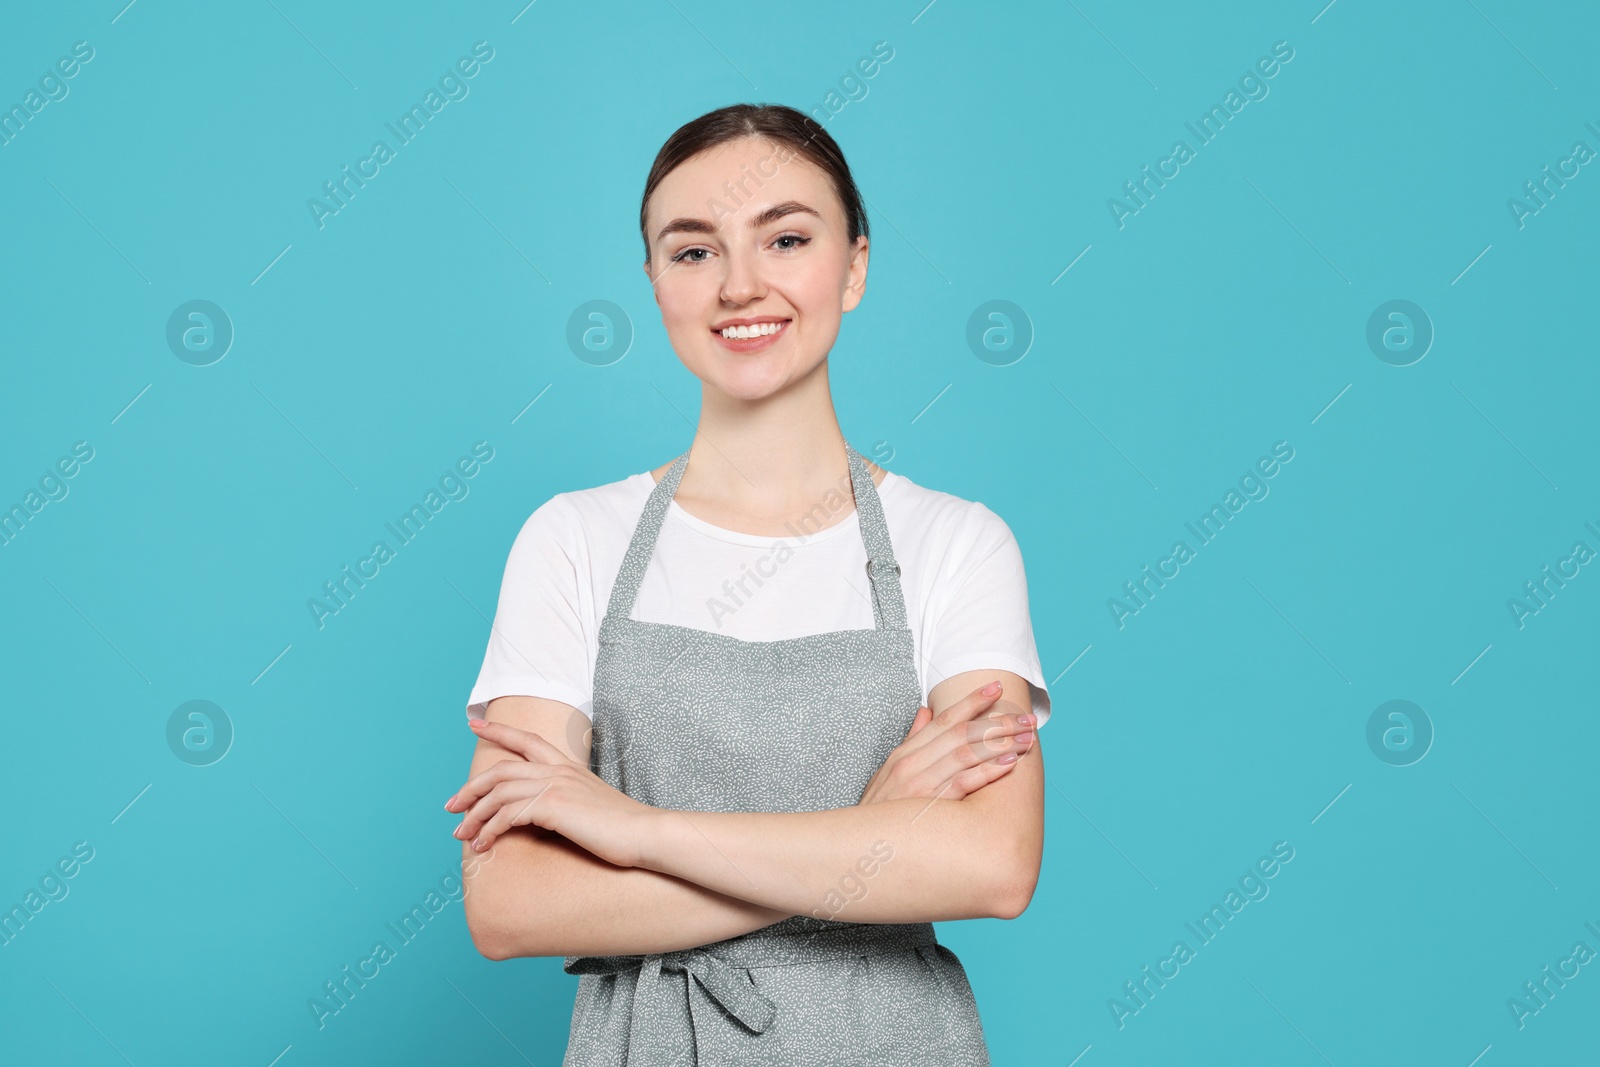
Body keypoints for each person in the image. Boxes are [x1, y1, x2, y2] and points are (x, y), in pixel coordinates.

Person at [445, 103, 1050, 1066]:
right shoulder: (572, 541)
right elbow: (510, 901)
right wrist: (871, 836)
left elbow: (994, 863)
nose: (739, 285)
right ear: (653, 283)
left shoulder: (956, 544)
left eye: (787, 238)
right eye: (692, 252)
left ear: (854, 264)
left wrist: (634, 830)